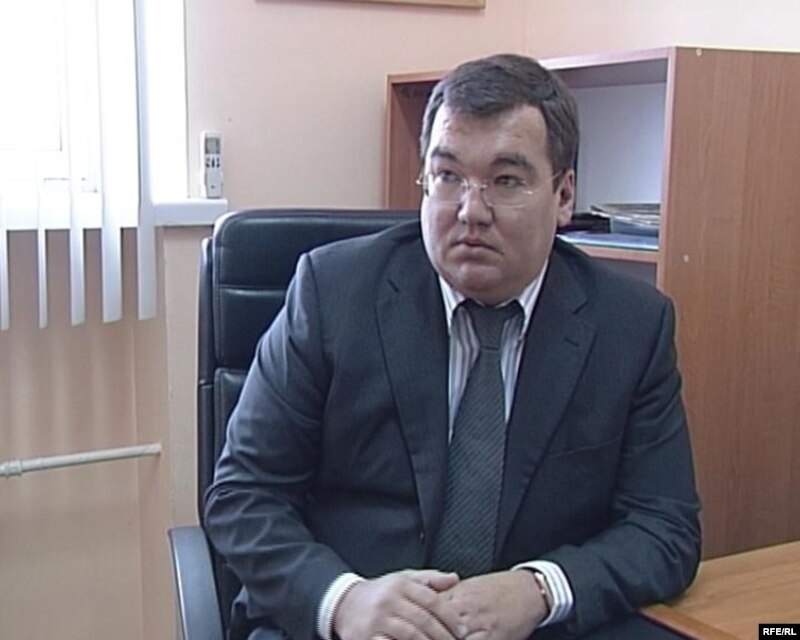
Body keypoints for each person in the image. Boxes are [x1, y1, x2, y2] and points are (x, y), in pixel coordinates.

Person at [204, 53, 701, 640]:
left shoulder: (629, 325)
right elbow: (243, 495)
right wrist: (343, 600)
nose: (471, 211)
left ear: (564, 195)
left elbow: (664, 527)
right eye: (447, 176)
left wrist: (541, 589)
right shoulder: (333, 293)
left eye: (506, 181)